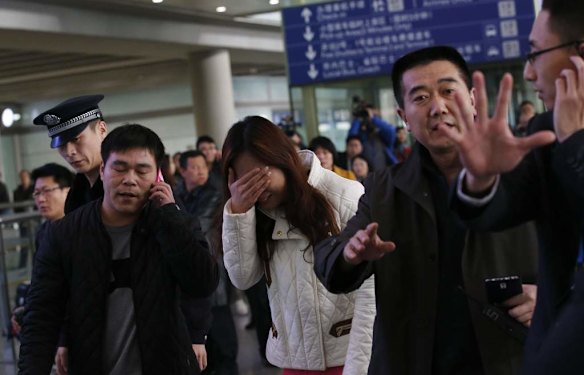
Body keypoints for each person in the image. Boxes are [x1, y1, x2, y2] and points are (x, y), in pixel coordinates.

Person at [314, 46, 539, 375]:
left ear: (472, 99)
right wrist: (351, 254)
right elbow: (329, 263)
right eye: (420, 98)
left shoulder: (524, 170)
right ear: (403, 116)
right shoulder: (383, 189)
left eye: (448, 91)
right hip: (416, 360)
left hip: (512, 355)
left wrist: (549, 296)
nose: (438, 107)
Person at [436, 1, 584, 373]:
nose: (529, 73)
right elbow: (497, 210)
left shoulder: (565, 137)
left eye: (536, 53)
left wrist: (576, 143)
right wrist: (480, 179)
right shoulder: (544, 132)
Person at [18, 124, 219, 375]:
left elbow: (202, 283)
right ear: (103, 170)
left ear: (157, 175)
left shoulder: (174, 224)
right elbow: (41, 315)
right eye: (119, 168)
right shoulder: (65, 234)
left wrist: (169, 217)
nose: (130, 179)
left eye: (142, 170)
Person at [217, 116, 374, 374]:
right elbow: (243, 278)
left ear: (282, 159)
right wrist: (238, 212)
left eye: (260, 176)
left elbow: (370, 293)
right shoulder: (252, 212)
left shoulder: (346, 194)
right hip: (293, 360)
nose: (255, 189)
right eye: (244, 182)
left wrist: (358, 368)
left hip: (347, 357)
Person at [175, 150, 239, 375]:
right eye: (194, 167)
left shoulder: (215, 195)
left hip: (214, 275)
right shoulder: (177, 195)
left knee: (223, 341)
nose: (201, 170)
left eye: (203, 166)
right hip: (188, 279)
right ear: (181, 170)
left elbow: (194, 226)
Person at [10, 163, 74, 338]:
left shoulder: (80, 230)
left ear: (67, 191)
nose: (41, 199)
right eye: (37, 193)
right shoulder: (44, 232)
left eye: (47, 191)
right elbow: (42, 280)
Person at [33, 94, 108, 214]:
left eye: (76, 139)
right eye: (61, 145)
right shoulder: (77, 191)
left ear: (101, 130)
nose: (69, 152)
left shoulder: (122, 184)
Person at [349, 98, 398, 171]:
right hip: (365, 175)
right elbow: (351, 138)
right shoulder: (360, 135)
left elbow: (391, 130)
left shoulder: (381, 135)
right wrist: (358, 119)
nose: (366, 117)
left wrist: (373, 118)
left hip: (385, 173)